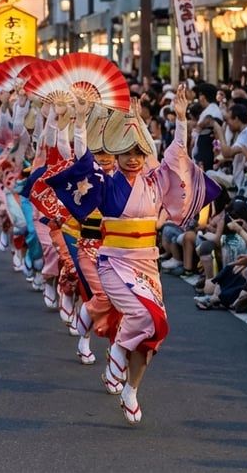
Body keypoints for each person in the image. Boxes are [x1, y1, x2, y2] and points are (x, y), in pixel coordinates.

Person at [47, 85, 217, 424]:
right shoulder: (107, 182)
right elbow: (81, 161)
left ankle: (131, 390)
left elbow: (176, 155)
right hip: (114, 263)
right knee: (139, 318)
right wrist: (79, 122)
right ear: (114, 153)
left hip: (147, 264)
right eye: (126, 151)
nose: (133, 157)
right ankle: (115, 351)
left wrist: (181, 119)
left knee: (156, 330)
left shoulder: (154, 180)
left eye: (139, 150)